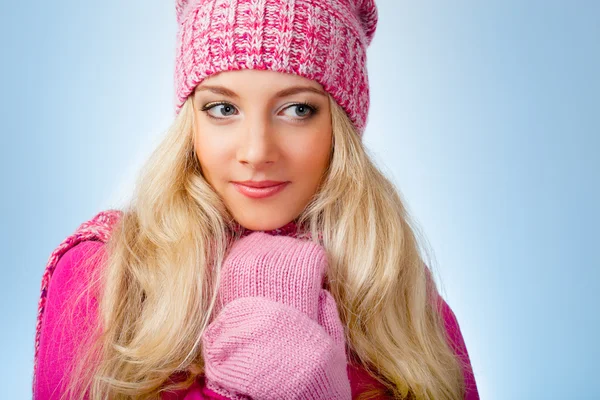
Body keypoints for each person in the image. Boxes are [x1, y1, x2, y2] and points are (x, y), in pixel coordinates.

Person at [32, 0, 480, 399]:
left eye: (297, 109)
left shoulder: (397, 289)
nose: (256, 152)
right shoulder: (107, 272)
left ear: (340, 127)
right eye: (223, 109)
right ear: (192, 121)